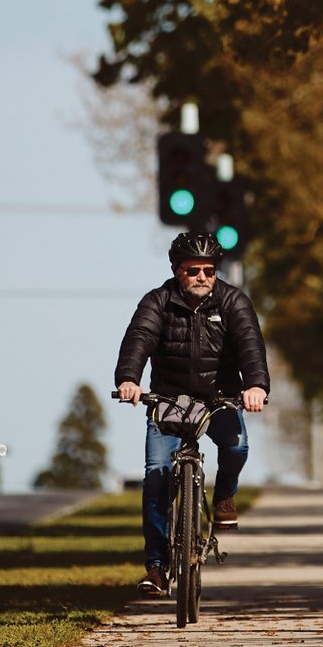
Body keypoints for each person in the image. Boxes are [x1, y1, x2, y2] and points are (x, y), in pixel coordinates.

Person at [115, 231, 270, 595]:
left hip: (221, 399)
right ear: (176, 270)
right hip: (168, 400)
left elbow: (250, 344)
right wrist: (128, 380)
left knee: (236, 448)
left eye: (209, 270)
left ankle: (224, 497)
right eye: (193, 270)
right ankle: (155, 566)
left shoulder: (234, 302)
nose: (202, 277)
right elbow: (139, 339)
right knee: (156, 474)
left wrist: (256, 386)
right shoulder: (158, 302)